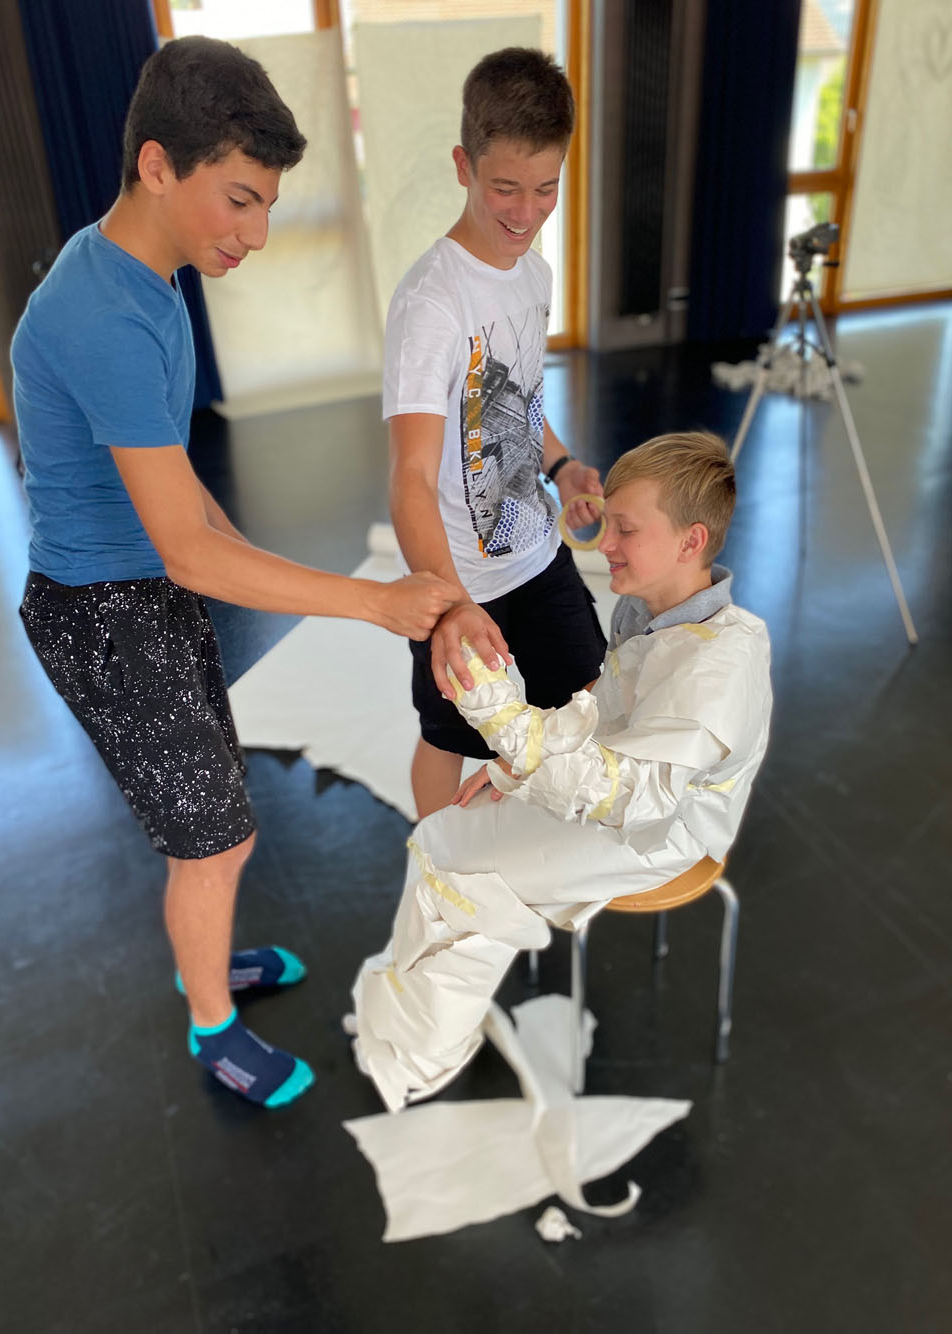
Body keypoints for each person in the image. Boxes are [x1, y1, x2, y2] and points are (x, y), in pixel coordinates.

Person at [12, 37, 458, 1109]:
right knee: (213, 843)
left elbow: (185, 502)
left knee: (218, 823)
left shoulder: (144, 275)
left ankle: (204, 955)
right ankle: (211, 1025)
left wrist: (261, 569)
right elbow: (186, 547)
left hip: (144, 591)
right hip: (103, 616)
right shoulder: (103, 316)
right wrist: (373, 601)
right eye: (241, 200)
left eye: (267, 206)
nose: (256, 235)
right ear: (158, 166)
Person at [351, 432, 773, 1112]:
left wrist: (503, 720)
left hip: (659, 834)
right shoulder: (654, 613)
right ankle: (411, 1020)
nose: (607, 545)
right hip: (626, 803)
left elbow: (634, 798)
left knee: (457, 868)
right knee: (445, 839)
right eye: (611, 524)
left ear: (691, 541)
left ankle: (418, 1058)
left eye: (627, 530)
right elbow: (603, 711)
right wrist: (514, 769)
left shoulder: (714, 667)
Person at [385, 46, 608, 818]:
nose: (525, 212)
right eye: (505, 188)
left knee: (587, 695)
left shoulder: (534, 275)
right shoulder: (431, 305)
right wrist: (449, 607)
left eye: (546, 189)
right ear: (464, 165)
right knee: (450, 736)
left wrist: (564, 466)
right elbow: (410, 478)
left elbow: (513, 401)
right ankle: (435, 862)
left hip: (535, 548)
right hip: (459, 578)